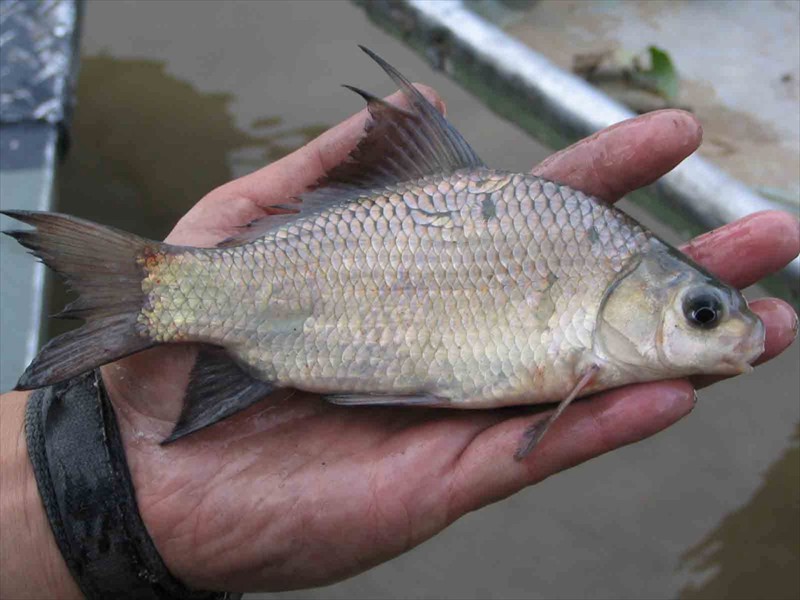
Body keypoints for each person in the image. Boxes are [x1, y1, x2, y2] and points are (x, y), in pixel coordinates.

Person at [1, 85, 798, 598]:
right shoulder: (580, 303)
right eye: (701, 312)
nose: (730, 332)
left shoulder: (589, 289)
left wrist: (75, 495)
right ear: (634, 296)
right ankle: (157, 298)